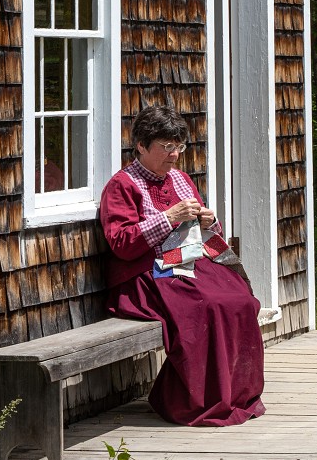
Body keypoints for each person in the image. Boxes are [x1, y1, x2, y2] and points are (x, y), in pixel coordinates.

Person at [98, 104, 265, 426]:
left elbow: (202, 233)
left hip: (184, 260)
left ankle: (236, 395)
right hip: (144, 272)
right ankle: (190, 401)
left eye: (179, 146)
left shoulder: (181, 179)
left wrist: (208, 219)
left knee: (241, 300)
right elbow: (121, 243)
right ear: (142, 146)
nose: (174, 155)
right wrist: (169, 217)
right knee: (210, 304)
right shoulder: (123, 185)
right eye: (166, 147)